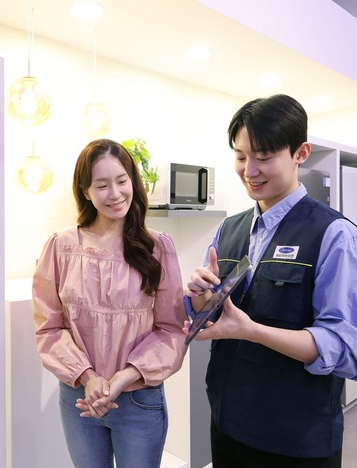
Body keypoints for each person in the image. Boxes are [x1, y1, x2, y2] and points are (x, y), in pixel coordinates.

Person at [184, 94, 357, 468]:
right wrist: (200, 298)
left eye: (264, 157)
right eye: (240, 156)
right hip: (228, 423)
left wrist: (253, 331)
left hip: (295, 438)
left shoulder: (333, 234)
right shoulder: (229, 229)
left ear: (300, 153)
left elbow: (343, 346)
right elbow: (213, 314)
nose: (249, 170)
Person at [32, 138, 188, 468]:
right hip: (79, 399)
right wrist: (88, 377)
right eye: (102, 185)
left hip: (138, 400)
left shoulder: (157, 247)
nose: (115, 194)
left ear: (133, 182)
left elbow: (171, 330)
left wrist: (124, 378)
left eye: (121, 181)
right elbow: (49, 327)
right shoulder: (61, 246)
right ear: (86, 191)